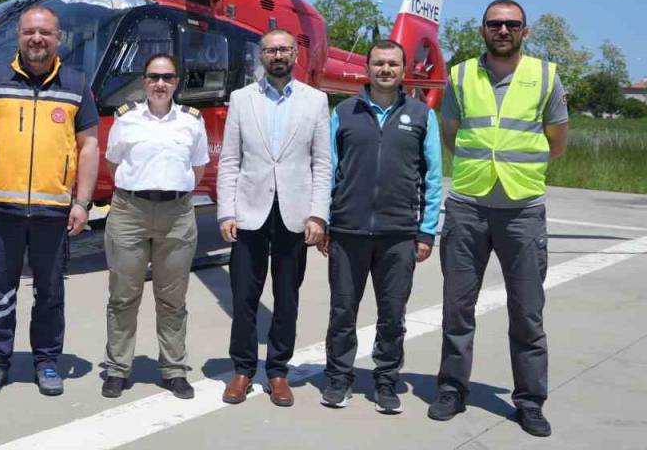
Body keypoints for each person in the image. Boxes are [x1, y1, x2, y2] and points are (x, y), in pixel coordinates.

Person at [428, 0, 568, 438]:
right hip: (468, 204)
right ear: (482, 30)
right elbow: (451, 134)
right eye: (495, 24)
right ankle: (451, 389)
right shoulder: (461, 75)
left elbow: (557, 140)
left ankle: (529, 400)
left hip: (522, 210)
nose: (503, 30)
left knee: (527, 313)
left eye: (512, 24)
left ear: (525, 31)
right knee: (457, 308)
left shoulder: (546, 76)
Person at [0, 5, 100, 397]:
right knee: (0, 289)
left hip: (53, 212)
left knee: (50, 292)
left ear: (59, 39)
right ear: (19, 36)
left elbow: (89, 147)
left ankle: (47, 362)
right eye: (29, 32)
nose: (37, 39)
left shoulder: (76, 83)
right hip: (2, 208)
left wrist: (83, 202)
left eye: (45, 33)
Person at [319, 39, 442, 414]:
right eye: (378, 64)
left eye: (392, 64)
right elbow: (327, 170)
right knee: (342, 312)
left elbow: (434, 177)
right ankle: (339, 377)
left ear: (403, 70)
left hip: (399, 235)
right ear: (367, 68)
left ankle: (386, 380)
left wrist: (426, 230)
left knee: (392, 315)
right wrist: (324, 220)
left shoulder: (422, 115)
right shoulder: (344, 111)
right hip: (347, 232)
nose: (385, 70)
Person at [217, 28, 331, 407]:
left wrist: (318, 214)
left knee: (286, 298)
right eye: (270, 50)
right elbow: (230, 160)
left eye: (283, 49)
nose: (277, 56)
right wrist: (226, 211)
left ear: (295, 54)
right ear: (261, 57)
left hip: (294, 215)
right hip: (249, 212)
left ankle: (278, 371)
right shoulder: (241, 99)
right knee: (244, 297)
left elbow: (322, 163)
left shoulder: (316, 101)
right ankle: (243, 369)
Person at [100, 53, 209, 400]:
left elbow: (198, 169)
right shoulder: (126, 119)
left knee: (172, 299)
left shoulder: (192, 121)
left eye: (167, 77)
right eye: (153, 77)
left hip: (176, 214)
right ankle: (118, 368)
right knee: (123, 296)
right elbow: (113, 162)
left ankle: (174, 369)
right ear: (144, 81)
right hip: (130, 211)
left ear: (176, 82)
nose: (160, 83)